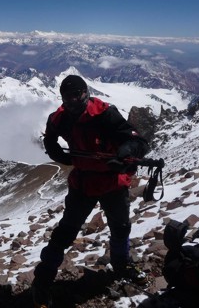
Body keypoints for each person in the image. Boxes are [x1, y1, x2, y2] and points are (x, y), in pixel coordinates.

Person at [32, 75, 150, 308]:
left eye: (78, 95)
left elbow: (138, 142)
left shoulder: (105, 113)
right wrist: (57, 154)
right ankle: (42, 281)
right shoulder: (59, 118)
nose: (74, 101)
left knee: (120, 227)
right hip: (83, 183)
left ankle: (122, 265)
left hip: (112, 181)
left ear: (86, 93)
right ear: (63, 99)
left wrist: (124, 151)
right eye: (69, 97)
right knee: (65, 233)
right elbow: (50, 140)